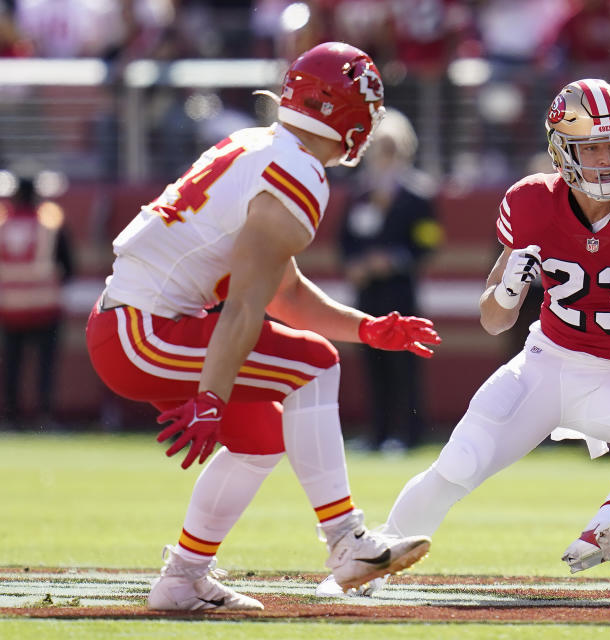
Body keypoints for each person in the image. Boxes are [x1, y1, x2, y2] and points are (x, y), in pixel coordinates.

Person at [319, 77, 610, 595]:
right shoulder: (530, 202)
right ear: (561, 151)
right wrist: (507, 291)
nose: (607, 159)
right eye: (591, 147)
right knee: (456, 466)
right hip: (543, 366)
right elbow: (493, 319)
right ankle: (368, 564)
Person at [85, 42, 441, 611]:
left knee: (261, 437)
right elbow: (246, 308)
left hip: (132, 326)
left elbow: (287, 294)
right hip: (146, 330)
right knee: (316, 363)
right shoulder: (295, 170)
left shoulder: (262, 148)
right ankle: (347, 540)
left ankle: (182, 579)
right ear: (346, 113)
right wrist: (210, 396)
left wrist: (367, 327)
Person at [338, 107, 442, 453]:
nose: (383, 157)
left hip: (400, 291)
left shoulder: (418, 194)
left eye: (390, 149)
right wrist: (355, 265)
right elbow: (346, 241)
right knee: (373, 364)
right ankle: (378, 432)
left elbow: (427, 244)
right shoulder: (360, 193)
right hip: (368, 293)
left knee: (405, 364)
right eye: (379, 149)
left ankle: (408, 434)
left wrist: (394, 261)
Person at [0, 173, 74, 430]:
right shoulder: (50, 225)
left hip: (9, 310)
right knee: (45, 368)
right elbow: (68, 267)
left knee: (11, 367)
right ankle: (44, 418)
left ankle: (10, 419)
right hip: (45, 308)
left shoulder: (2, 225)